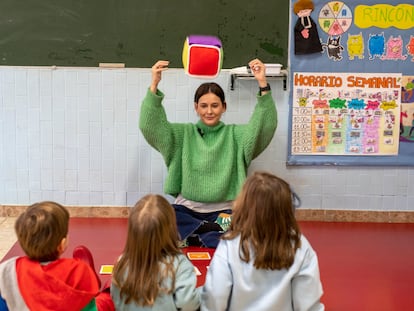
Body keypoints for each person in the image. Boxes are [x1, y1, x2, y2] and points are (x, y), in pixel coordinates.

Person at [139, 58, 277, 248]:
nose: (209, 111)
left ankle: (196, 235)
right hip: (187, 210)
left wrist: (263, 84)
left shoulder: (235, 135)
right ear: (196, 108)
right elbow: (151, 126)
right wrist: (154, 85)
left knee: (249, 224)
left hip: (225, 213)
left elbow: (264, 127)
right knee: (164, 219)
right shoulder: (183, 134)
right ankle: (210, 235)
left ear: (224, 107)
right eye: (204, 106)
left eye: (215, 105)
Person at [201, 171, 324, 311]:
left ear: (243, 206)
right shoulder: (300, 245)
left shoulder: (230, 244)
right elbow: (308, 304)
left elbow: (215, 297)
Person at [0, 201, 114, 311]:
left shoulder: (6, 270)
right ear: (62, 244)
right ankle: (106, 284)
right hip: (81, 286)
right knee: (108, 296)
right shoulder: (79, 272)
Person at [110, 194, 200, 311]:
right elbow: (188, 303)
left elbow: (116, 300)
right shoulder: (180, 265)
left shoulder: (122, 263)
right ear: (172, 229)